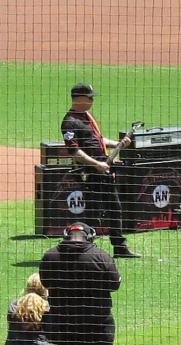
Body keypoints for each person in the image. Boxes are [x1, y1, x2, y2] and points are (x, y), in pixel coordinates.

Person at [60, 82, 140, 258]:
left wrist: (118, 144)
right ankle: (85, 247)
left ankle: (119, 247)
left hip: (103, 171)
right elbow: (75, 151)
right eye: (89, 97)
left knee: (114, 208)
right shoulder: (70, 122)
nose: (92, 100)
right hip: (90, 173)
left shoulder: (87, 116)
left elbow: (97, 140)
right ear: (79, 98)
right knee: (93, 211)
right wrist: (96, 164)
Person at [39, 222, 122, 345]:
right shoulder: (101, 256)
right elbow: (115, 284)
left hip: (66, 326)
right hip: (98, 327)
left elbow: (46, 283)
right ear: (89, 237)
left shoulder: (50, 256)